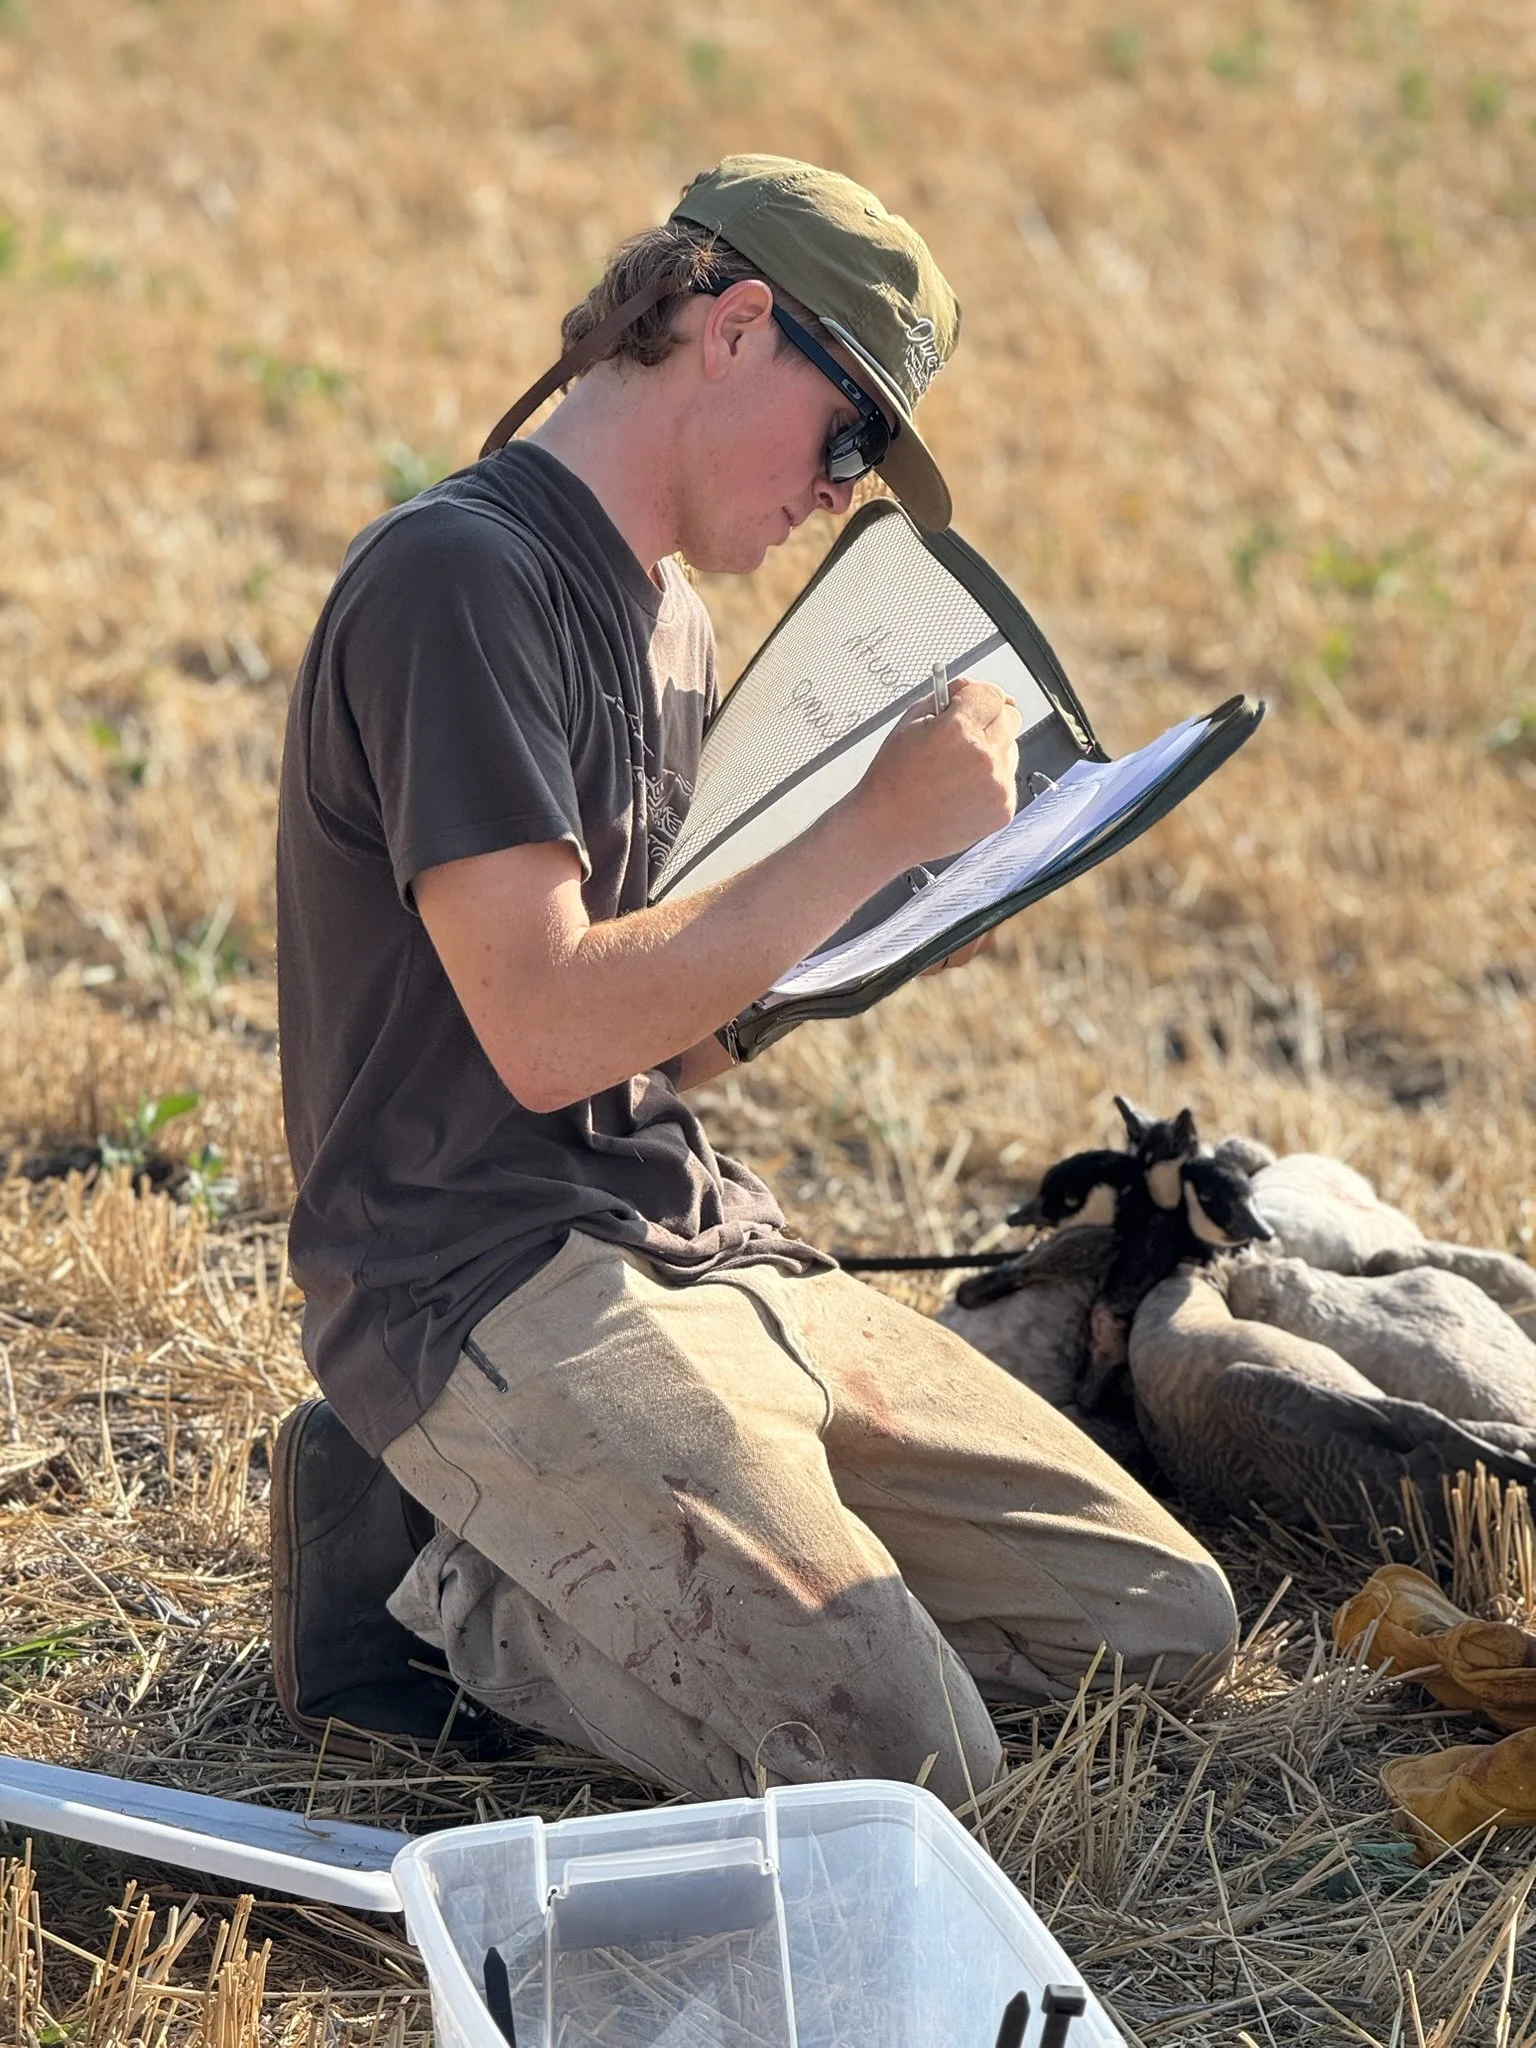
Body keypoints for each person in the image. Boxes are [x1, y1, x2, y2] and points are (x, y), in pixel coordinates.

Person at [271, 154, 1238, 1804]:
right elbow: (545, 1026)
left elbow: (653, 1051)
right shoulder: (459, 580)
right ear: (731, 331)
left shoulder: (679, 626)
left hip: (704, 1249)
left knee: (1161, 1626)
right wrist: (864, 833)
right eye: (851, 430)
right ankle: (449, 1580)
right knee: (911, 1769)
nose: (842, 489)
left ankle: (620, 1555)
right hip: (479, 1276)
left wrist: (884, 925)